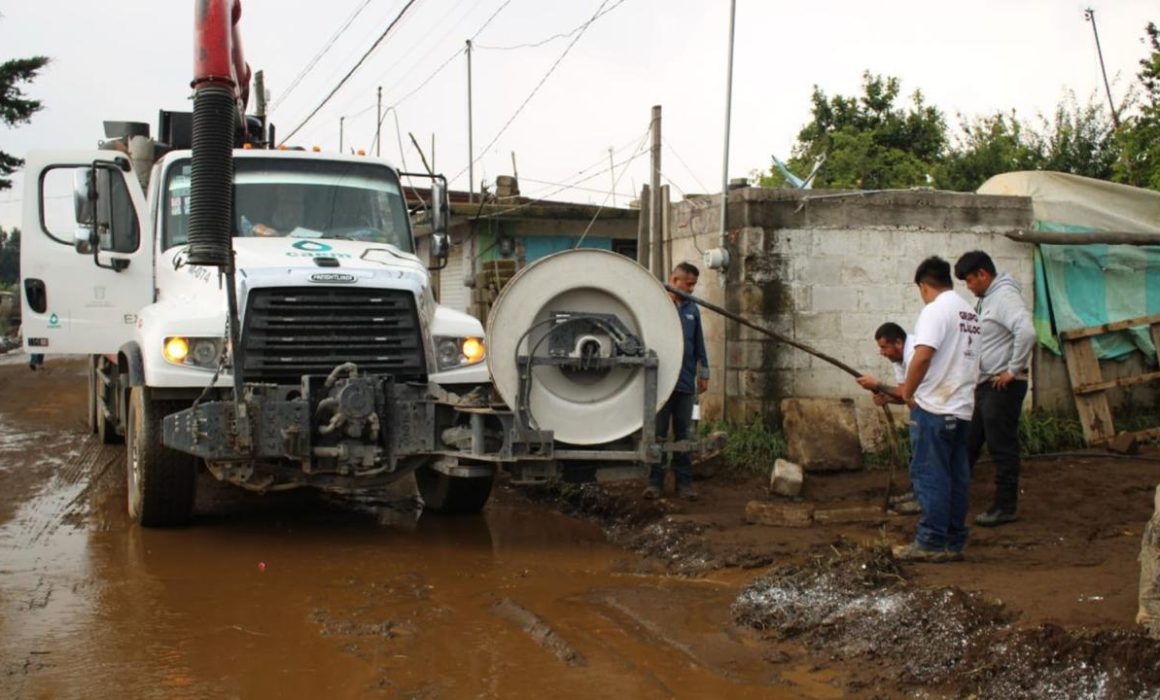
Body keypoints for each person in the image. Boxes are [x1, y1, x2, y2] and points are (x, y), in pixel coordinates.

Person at [895, 256, 979, 563]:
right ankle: (953, 541)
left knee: (931, 476)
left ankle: (930, 541)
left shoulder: (935, 311)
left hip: (934, 408)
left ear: (924, 286)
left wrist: (907, 390)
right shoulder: (969, 312)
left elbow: (923, 356)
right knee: (957, 477)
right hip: (961, 408)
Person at [954, 250, 1036, 527]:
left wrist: (1012, 370)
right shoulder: (988, 299)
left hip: (1002, 388)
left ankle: (1005, 506)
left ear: (983, 274)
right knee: (970, 443)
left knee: (1002, 446)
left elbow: (1026, 331)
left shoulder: (1004, 297)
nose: (968, 286)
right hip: (987, 385)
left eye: (969, 280)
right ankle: (951, 494)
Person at [644, 261, 710, 501]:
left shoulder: (692, 309)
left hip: (685, 383)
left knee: (685, 434)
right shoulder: (658, 306)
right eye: (689, 284)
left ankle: (685, 484)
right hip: (661, 384)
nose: (692, 289)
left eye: (694, 285)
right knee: (658, 435)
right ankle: (654, 483)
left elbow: (699, 343)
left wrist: (704, 372)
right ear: (675, 281)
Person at [855, 322, 920, 515]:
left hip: (935, 409)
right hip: (919, 408)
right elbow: (904, 394)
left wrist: (879, 384)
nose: (882, 353)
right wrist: (888, 398)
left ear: (898, 343)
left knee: (927, 458)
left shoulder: (913, 354)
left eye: (884, 347)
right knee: (918, 455)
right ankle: (918, 492)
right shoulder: (899, 360)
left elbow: (907, 391)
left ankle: (924, 500)